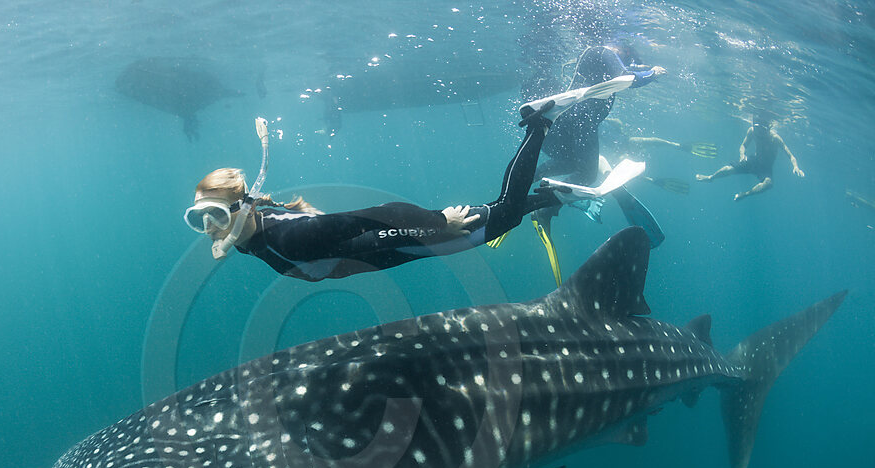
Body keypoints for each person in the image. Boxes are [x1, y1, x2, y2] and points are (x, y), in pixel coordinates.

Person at [182, 79, 643, 283]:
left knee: (502, 215)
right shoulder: (255, 226)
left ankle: (539, 123)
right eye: (199, 219)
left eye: (216, 216)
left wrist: (436, 224)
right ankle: (551, 193)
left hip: (413, 237)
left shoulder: (292, 237)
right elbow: (238, 234)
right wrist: (226, 238)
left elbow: (374, 223)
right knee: (504, 211)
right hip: (404, 235)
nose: (210, 229)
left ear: (241, 208)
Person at [532, 41, 666, 235]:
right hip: (582, 122)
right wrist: (653, 74)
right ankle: (544, 209)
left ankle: (529, 183)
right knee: (587, 173)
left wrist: (640, 68)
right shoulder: (605, 52)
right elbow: (626, 77)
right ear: (625, 50)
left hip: (572, 122)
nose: (626, 62)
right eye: (628, 58)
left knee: (572, 164)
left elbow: (625, 70)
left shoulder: (596, 56)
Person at [695, 114, 803, 201]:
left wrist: (796, 167)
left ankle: (745, 194)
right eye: (756, 127)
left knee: (768, 184)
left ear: (768, 128)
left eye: (762, 129)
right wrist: (742, 155)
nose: (759, 132)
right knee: (730, 168)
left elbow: (791, 155)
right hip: (754, 160)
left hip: (766, 167)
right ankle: (710, 177)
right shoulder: (752, 131)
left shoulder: (775, 138)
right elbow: (743, 145)